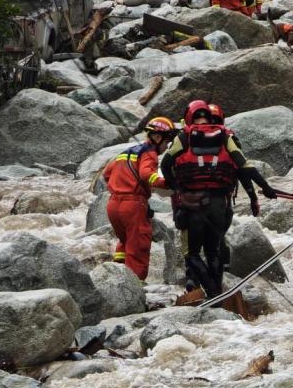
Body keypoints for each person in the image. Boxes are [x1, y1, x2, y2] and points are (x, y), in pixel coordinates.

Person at [161, 100, 278, 298]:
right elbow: (244, 166)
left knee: (193, 254)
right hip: (219, 204)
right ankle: (217, 294)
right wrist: (265, 188)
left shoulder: (184, 137)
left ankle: (213, 294)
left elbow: (165, 164)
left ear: (188, 118)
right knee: (213, 252)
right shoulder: (224, 135)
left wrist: (177, 187)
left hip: (193, 204)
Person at [103, 117, 176, 281]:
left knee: (125, 242)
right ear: (157, 138)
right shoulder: (149, 153)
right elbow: (146, 174)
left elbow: (106, 174)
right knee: (138, 247)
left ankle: (119, 279)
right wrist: (167, 183)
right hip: (133, 206)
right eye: (167, 142)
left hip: (113, 205)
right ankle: (135, 287)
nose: (166, 147)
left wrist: (121, 186)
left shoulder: (126, 152)